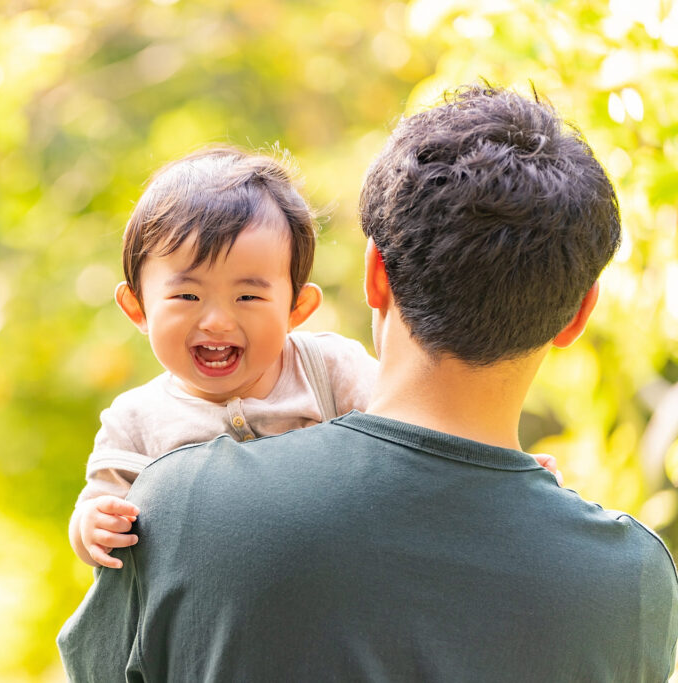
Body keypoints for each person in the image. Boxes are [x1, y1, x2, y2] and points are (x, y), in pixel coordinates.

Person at [57, 85, 678, 681]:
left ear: (375, 274)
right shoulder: (636, 581)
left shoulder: (174, 506)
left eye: (248, 293)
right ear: (577, 314)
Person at [69, 146, 379, 569]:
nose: (216, 321)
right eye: (187, 295)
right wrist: (92, 526)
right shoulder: (136, 422)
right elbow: (97, 509)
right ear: (138, 308)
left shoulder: (328, 370)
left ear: (296, 309)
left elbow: (407, 440)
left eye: (248, 295)